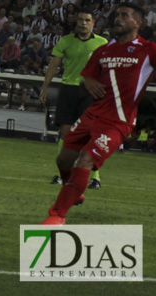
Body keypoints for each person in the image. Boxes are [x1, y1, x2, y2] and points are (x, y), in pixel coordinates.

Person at [42, 2, 156, 225]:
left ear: (137, 23)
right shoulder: (103, 50)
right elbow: (85, 81)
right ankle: (74, 191)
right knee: (63, 160)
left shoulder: (149, 50)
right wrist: (88, 82)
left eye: (124, 15)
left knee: (85, 160)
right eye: (116, 15)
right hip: (91, 115)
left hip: (118, 121)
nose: (117, 19)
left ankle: (57, 215)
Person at [38, 11, 108, 187]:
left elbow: (109, 69)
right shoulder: (65, 41)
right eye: (80, 20)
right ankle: (62, 174)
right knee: (65, 132)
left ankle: (95, 177)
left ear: (93, 23)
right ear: (76, 22)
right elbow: (54, 65)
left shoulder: (102, 43)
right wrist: (45, 88)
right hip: (69, 89)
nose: (83, 23)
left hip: (91, 91)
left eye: (87, 20)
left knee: (90, 134)